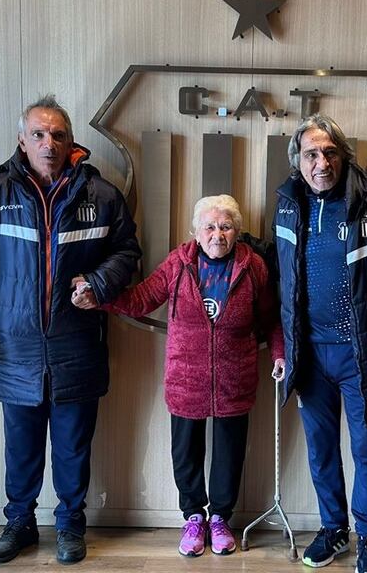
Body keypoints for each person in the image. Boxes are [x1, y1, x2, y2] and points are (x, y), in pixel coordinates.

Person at [0, 95, 140, 565]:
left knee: (73, 445)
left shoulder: (101, 197)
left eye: (58, 135)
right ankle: (19, 523)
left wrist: (98, 283)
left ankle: (70, 524)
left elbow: (127, 253)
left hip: (76, 342)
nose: (48, 143)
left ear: (70, 141)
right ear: (21, 140)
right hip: (13, 344)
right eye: (38, 134)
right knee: (20, 446)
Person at [73, 194, 285, 558]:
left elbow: (271, 318)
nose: (218, 234)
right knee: (185, 452)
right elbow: (141, 299)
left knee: (229, 453)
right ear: (196, 232)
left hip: (235, 378)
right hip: (186, 376)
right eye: (210, 226)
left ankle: (219, 518)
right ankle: (193, 517)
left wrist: (279, 354)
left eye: (226, 226)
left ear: (236, 232)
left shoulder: (254, 268)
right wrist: (101, 300)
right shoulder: (178, 263)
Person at [272, 114, 367, 573]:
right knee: (320, 451)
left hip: (365, 356)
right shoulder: (286, 205)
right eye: (311, 154)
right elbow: (281, 284)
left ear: (343, 156)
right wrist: (283, 349)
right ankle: (333, 528)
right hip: (310, 355)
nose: (321, 163)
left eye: (330, 153)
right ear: (297, 161)